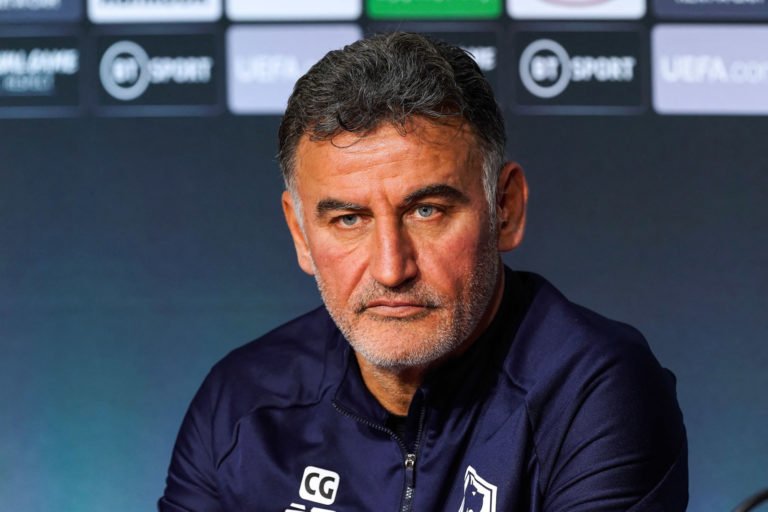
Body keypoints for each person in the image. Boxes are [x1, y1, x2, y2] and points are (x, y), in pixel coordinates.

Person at [159, 32, 687, 512]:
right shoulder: (241, 402)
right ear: (300, 234)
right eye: (349, 219)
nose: (392, 269)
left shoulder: (593, 390)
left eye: (427, 211)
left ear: (505, 208)